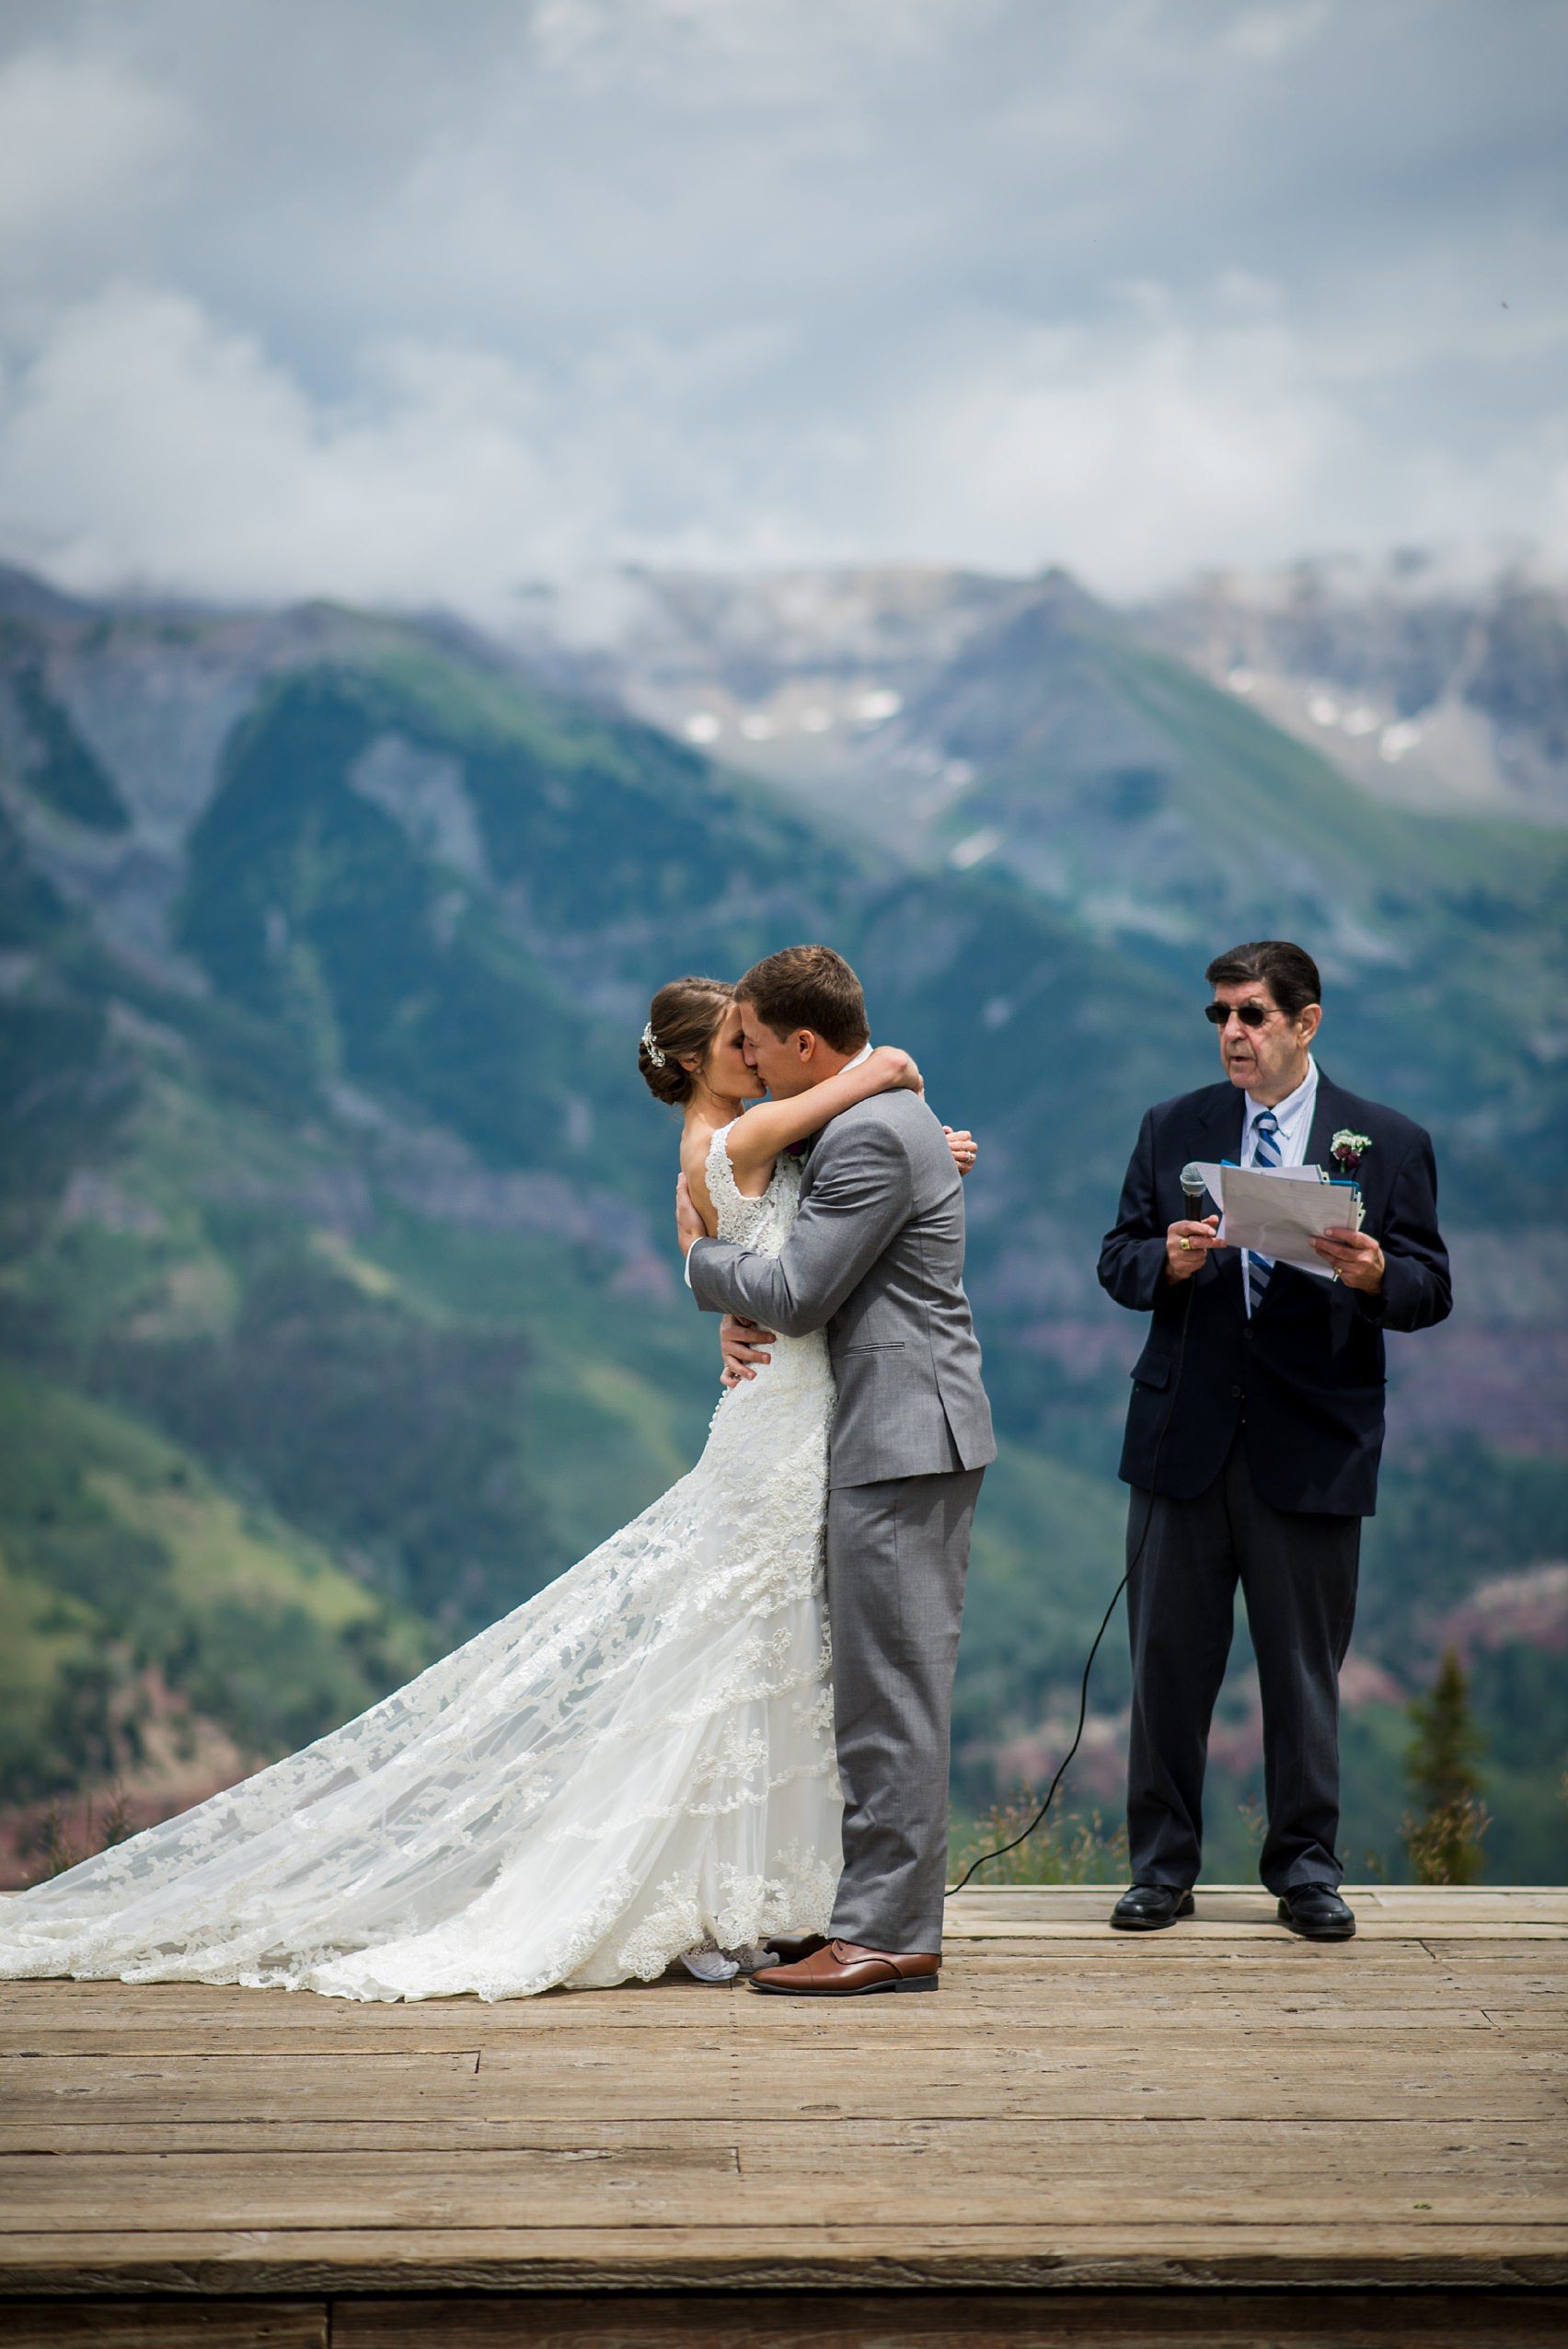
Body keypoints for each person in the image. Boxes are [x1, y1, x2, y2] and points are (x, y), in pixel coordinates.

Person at [0, 975, 977, 2001]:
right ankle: (770, 1895)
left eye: (761, 1036)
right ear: (700, 1060)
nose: (755, 1051)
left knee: (790, 1662)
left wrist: (909, 1158)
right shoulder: (729, 1139)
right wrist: (883, 1075)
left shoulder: (776, 1133)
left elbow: (811, 1202)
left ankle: (788, 1891)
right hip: (790, 1431)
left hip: (824, 1421)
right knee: (751, 1651)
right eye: (738, 1038)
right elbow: (781, 1211)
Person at [1097, 940, 1451, 1941]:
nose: (1232, 1034)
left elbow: (1431, 1288)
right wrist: (1162, 1260)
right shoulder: (1176, 1127)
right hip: (1183, 1440)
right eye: (1219, 1015)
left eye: (1251, 1014)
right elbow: (1114, 1259)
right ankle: (1161, 1868)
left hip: (1313, 1443)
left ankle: (1305, 1867)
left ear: (1307, 1021)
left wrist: (1377, 1270)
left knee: (1302, 1670)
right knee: (1167, 1664)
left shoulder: (1385, 1140)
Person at [678, 944, 995, 1996]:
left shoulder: (863, 1133)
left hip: (900, 1438)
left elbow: (804, 1290)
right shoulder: (866, 1121)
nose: (754, 1066)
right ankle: (868, 1915)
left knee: (890, 1693)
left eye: (761, 1047)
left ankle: (890, 1933)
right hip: (894, 1431)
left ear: (806, 1042)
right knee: (874, 1685)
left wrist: (701, 1265)